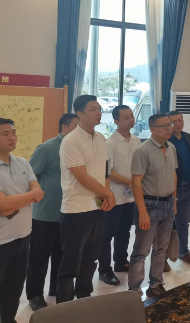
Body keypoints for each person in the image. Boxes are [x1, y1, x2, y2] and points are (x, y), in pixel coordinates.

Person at [0, 118, 44, 323]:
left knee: (13, 291)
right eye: (6, 134)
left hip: (22, 236)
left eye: (14, 132)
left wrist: (11, 203)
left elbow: (38, 192)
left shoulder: (23, 163)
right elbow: (1, 204)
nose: (13, 137)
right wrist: (27, 197)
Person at [57, 95, 115, 303]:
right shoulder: (71, 141)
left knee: (91, 259)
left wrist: (106, 193)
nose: (98, 113)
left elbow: (106, 170)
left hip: (97, 208)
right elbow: (81, 176)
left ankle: (84, 299)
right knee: (70, 263)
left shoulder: (100, 138)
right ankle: (64, 307)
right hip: (76, 209)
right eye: (92, 109)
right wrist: (108, 194)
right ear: (80, 114)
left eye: (99, 108)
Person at [26, 113, 78, 311]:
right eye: (76, 126)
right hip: (46, 214)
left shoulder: (77, 149)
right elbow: (30, 177)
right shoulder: (47, 149)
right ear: (64, 127)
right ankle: (34, 295)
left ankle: (56, 289)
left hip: (69, 212)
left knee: (62, 255)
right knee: (39, 258)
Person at [128, 114, 177, 297]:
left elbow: (173, 174)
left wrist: (174, 201)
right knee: (141, 251)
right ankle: (134, 290)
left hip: (168, 203)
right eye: (164, 126)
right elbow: (136, 183)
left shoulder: (171, 147)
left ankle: (156, 284)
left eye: (169, 124)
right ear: (152, 129)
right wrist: (142, 212)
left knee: (161, 248)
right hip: (150, 205)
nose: (169, 128)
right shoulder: (142, 151)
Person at [98, 105, 141, 286]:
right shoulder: (110, 143)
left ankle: (121, 262)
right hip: (114, 195)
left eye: (131, 116)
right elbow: (108, 171)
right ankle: (104, 270)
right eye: (126, 118)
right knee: (107, 234)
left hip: (130, 196)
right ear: (116, 121)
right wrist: (129, 182)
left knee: (124, 230)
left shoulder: (136, 140)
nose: (131, 120)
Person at [167, 110, 190, 266]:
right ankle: (162, 257)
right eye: (173, 122)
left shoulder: (189, 137)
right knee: (167, 224)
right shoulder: (166, 140)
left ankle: (183, 251)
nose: (178, 124)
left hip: (189, 186)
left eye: (180, 120)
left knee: (183, 222)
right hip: (171, 188)